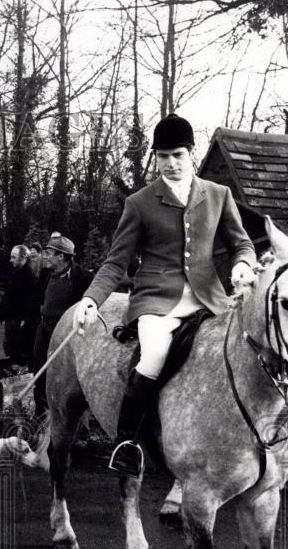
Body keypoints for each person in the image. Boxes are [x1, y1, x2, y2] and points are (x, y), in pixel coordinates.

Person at [73, 113, 258, 477]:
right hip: (157, 299)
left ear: (192, 152)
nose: (171, 164)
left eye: (178, 155)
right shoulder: (140, 203)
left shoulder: (218, 195)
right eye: (163, 157)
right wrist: (91, 299)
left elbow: (242, 243)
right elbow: (116, 262)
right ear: (155, 157)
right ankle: (127, 443)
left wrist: (243, 265)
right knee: (155, 353)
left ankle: (271, 434)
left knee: (249, 345)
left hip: (210, 299)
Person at [31, 236, 93, 419]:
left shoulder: (83, 278)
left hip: (66, 334)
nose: (45, 257)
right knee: (39, 370)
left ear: (62, 257)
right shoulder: (45, 274)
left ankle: (72, 419)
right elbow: (39, 298)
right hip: (44, 329)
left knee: (64, 376)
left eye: (49, 254)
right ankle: (40, 413)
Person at [0, 244, 36, 367]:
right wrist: (2, 315)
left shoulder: (29, 277)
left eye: (14, 257)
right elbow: (8, 296)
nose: (10, 260)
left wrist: (25, 319)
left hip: (19, 322)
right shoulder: (16, 273)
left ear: (23, 258)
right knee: (10, 350)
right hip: (11, 319)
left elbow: (31, 301)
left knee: (18, 352)